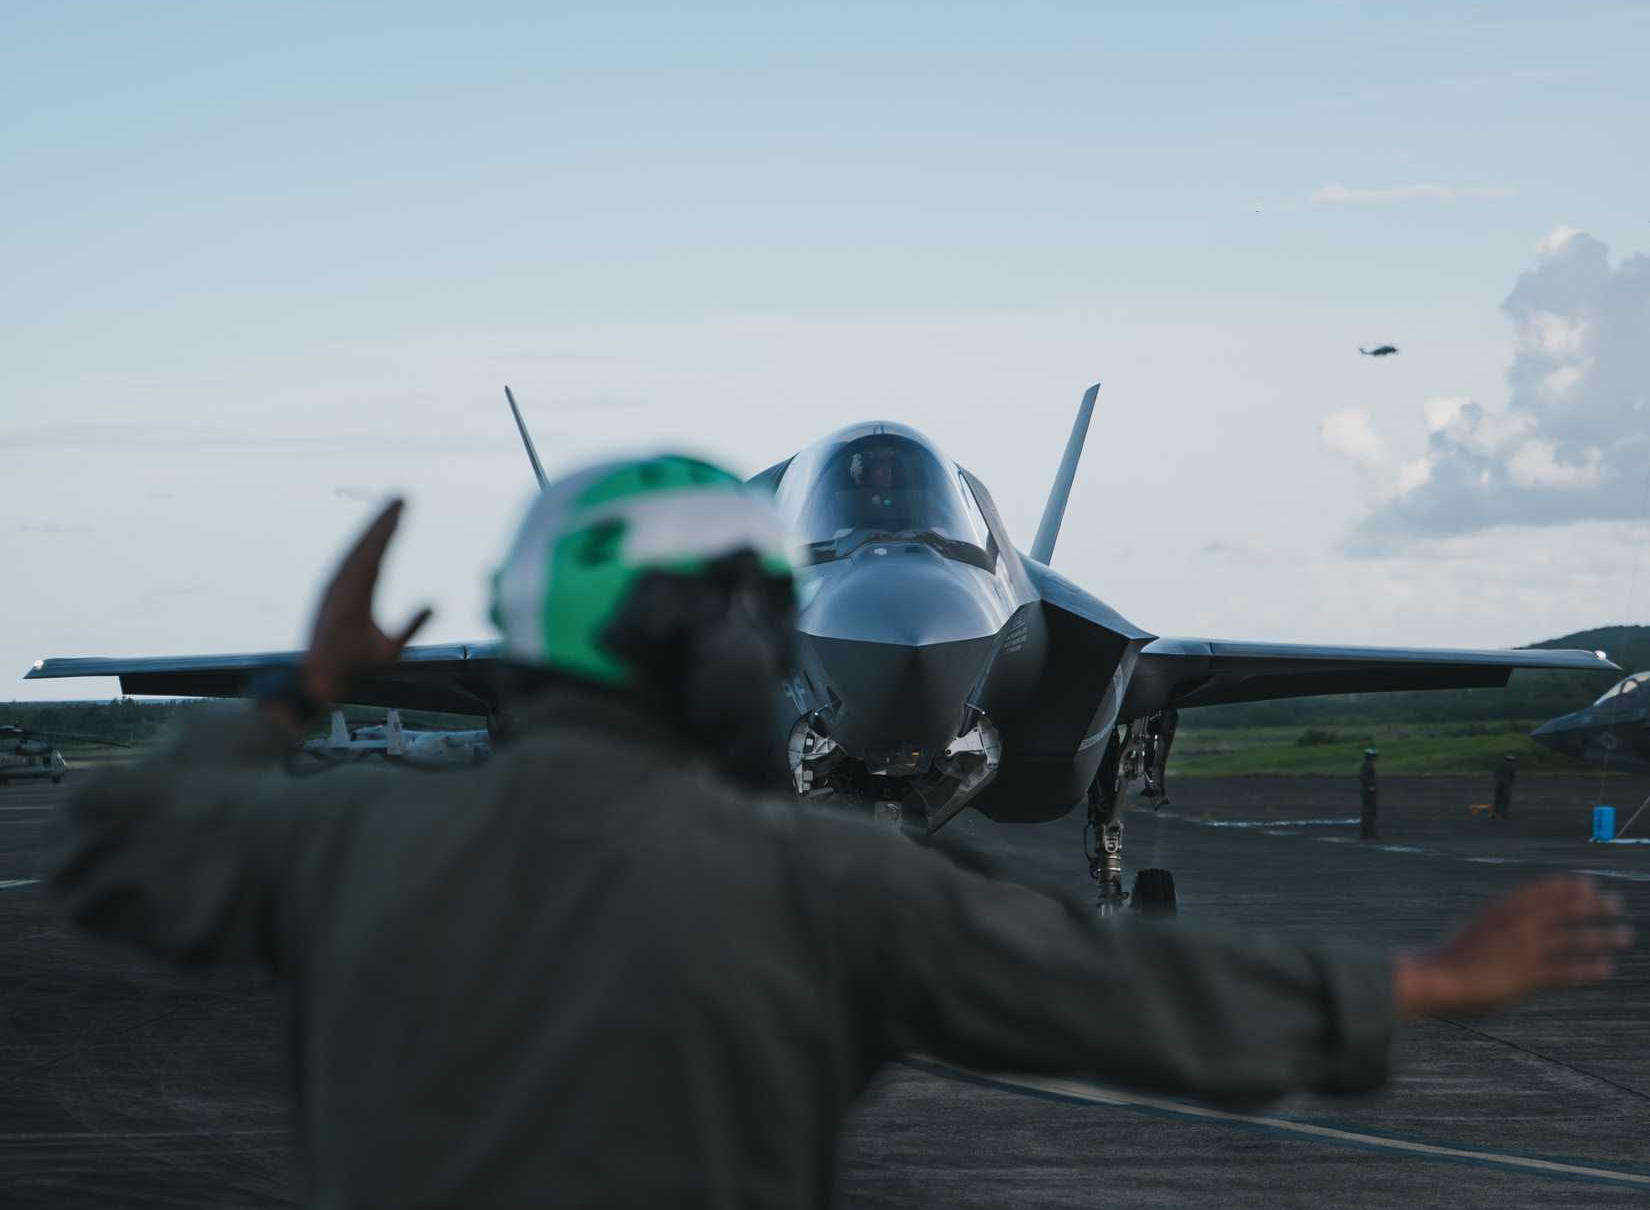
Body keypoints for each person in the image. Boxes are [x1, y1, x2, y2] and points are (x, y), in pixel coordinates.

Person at [50, 456, 1632, 1209]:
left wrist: (291, 692)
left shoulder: (362, 845)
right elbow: (1127, 1002)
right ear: (745, 638)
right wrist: (1419, 982)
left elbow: (126, 842)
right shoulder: (822, 894)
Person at [1360, 746, 1380, 840]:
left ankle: (1365, 834)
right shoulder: (1368, 765)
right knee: (1370, 812)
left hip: (1367, 791)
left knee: (1367, 812)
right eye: (1374, 755)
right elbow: (1364, 778)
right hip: (1369, 792)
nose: (1375, 757)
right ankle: (1370, 834)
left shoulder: (1367, 764)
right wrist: (1370, 787)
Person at [1493, 753, 1518, 820]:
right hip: (1506, 784)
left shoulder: (1499, 764)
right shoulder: (1511, 766)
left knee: (1497, 799)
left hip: (1498, 783)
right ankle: (1503, 815)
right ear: (1511, 760)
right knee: (1506, 800)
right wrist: (1511, 782)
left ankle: (1494, 813)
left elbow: (1495, 773)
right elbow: (1513, 776)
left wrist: (1497, 780)